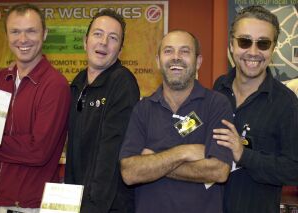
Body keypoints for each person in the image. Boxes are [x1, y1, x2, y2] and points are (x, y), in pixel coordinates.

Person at [119, 30, 233, 213]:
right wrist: (184, 152)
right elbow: (130, 173)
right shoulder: (143, 109)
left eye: (185, 51)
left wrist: (151, 161)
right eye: (168, 51)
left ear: (198, 62)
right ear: (158, 61)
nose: (176, 57)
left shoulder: (216, 104)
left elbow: (218, 171)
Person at [0, 3, 70, 213]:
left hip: (28, 206)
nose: (23, 39)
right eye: (15, 31)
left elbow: (37, 151)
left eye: (31, 31)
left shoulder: (55, 85)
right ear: (7, 35)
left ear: (44, 34)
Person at [213, 5, 298, 213]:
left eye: (263, 43)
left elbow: (294, 169)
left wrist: (243, 155)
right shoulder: (218, 88)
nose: (253, 52)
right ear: (232, 45)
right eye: (244, 41)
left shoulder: (286, 103)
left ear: (273, 48)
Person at [64, 9, 140, 213]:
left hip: (106, 205)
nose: (104, 42)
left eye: (113, 38)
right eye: (98, 34)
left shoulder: (123, 83)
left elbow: (110, 154)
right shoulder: (78, 83)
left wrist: (91, 207)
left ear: (120, 50)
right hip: (76, 200)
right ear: (85, 41)